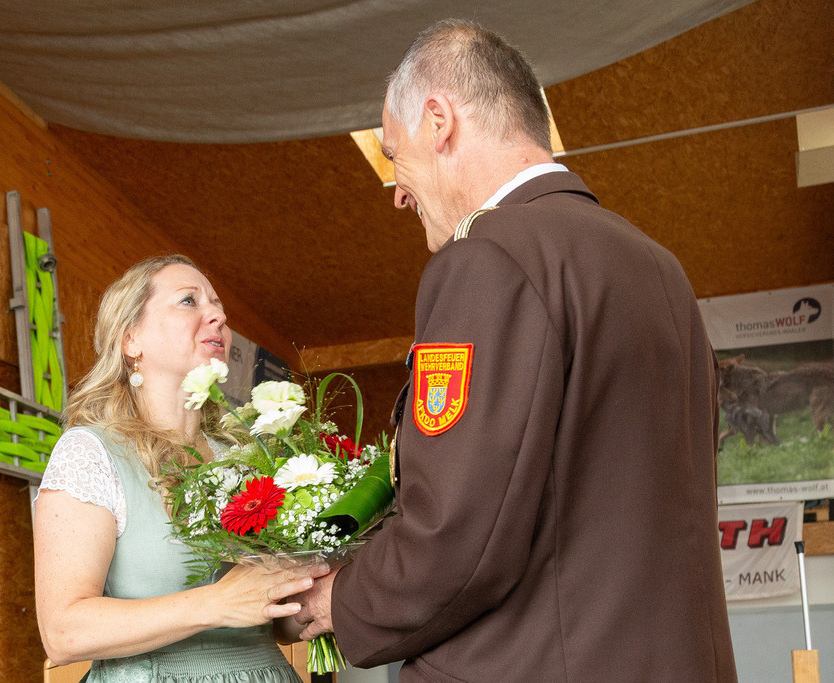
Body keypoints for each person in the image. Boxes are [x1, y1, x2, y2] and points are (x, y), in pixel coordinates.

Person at [294, 19, 737, 681]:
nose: (396, 193)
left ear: (439, 120)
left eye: (394, 155)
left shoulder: (489, 259)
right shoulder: (660, 268)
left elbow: (459, 535)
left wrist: (341, 597)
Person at [34, 254, 323, 682]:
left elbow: (274, 621)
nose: (219, 317)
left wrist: (319, 584)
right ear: (131, 339)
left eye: (218, 305)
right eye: (189, 301)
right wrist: (214, 603)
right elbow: (63, 632)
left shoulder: (245, 454)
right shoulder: (90, 454)